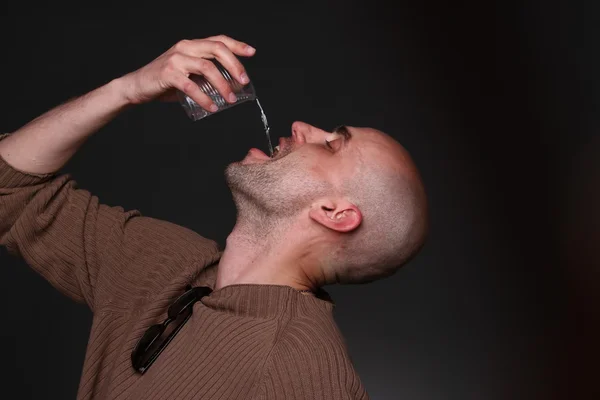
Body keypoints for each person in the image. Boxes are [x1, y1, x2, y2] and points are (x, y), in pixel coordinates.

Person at [0, 35, 428, 400]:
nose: (302, 126)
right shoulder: (165, 263)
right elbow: (11, 190)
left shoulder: (302, 372)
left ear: (335, 213)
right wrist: (126, 90)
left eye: (333, 145)